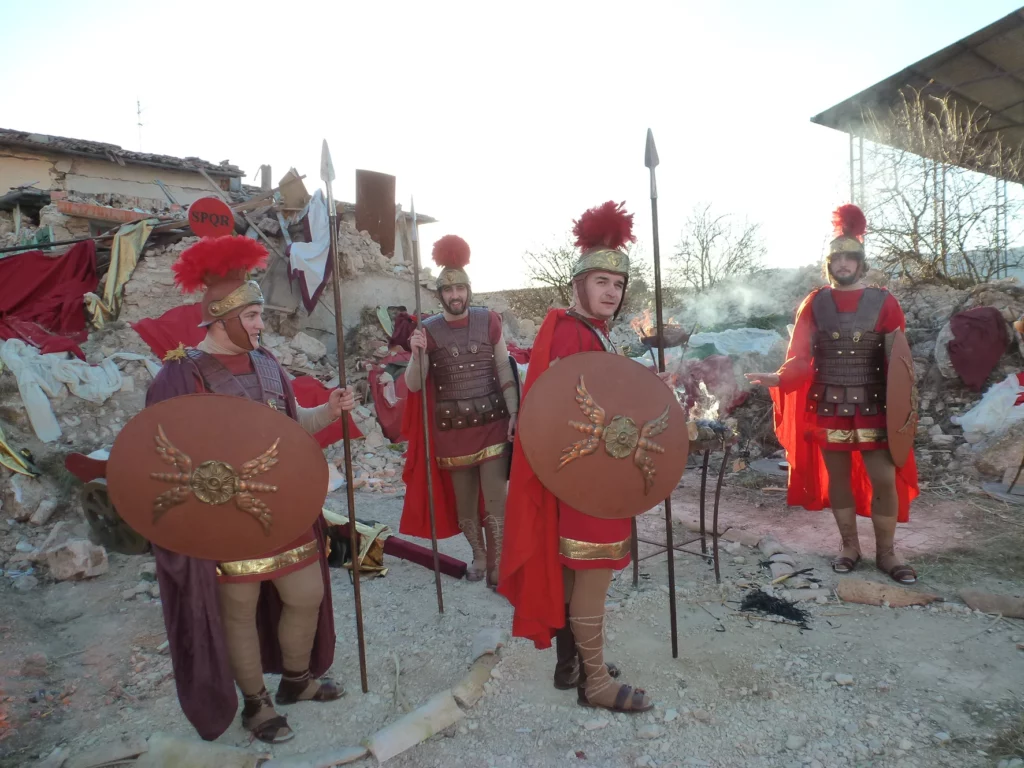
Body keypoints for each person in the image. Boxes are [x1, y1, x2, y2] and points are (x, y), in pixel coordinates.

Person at [144, 235, 357, 743]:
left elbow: (293, 423)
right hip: (226, 519)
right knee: (238, 608)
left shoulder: (267, 365)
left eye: (260, 315)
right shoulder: (182, 374)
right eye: (255, 316)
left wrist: (329, 409)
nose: (263, 325)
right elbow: (157, 454)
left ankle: (297, 682)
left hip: (284, 507)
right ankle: (256, 704)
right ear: (222, 319)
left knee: (305, 594)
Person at [499, 201, 661, 714]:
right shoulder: (571, 329)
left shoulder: (589, 331)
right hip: (585, 479)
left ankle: (573, 664)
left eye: (618, 285)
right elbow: (566, 412)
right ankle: (596, 684)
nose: (611, 292)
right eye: (602, 283)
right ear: (579, 285)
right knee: (592, 577)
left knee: (575, 577)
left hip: (583, 477)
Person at [745, 204, 920, 584]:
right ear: (829, 264)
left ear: (861, 262)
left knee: (884, 479)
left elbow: (900, 362)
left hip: (875, 405)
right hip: (829, 404)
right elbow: (801, 356)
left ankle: (887, 553)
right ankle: (849, 546)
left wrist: (903, 409)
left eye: (849, 257)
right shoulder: (815, 302)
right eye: (836, 258)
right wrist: (778, 378)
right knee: (836, 479)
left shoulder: (884, 302)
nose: (843, 263)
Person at [400, 235, 519, 589]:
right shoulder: (429, 331)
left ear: (468, 290)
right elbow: (414, 385)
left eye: (460, 289)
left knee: (496, 503)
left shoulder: (490, 321)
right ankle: (479, 557)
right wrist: (416, 353)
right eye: (448, 291)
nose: (456, 296)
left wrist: (514, 413)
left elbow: (502, 369)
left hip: (493, 423)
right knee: (466, 508)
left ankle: (498, 565)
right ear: (440, 296)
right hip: (452, 431)